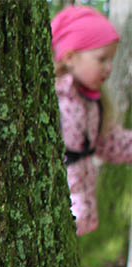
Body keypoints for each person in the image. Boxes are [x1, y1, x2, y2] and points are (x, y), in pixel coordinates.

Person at [51, 4, 132, 236]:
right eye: (102, 59)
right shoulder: (56, 99)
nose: (109, 68)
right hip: (62, 212)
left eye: (111, 60)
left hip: (79, 220)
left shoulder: (92, 102)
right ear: (70, 57)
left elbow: (107, 142)